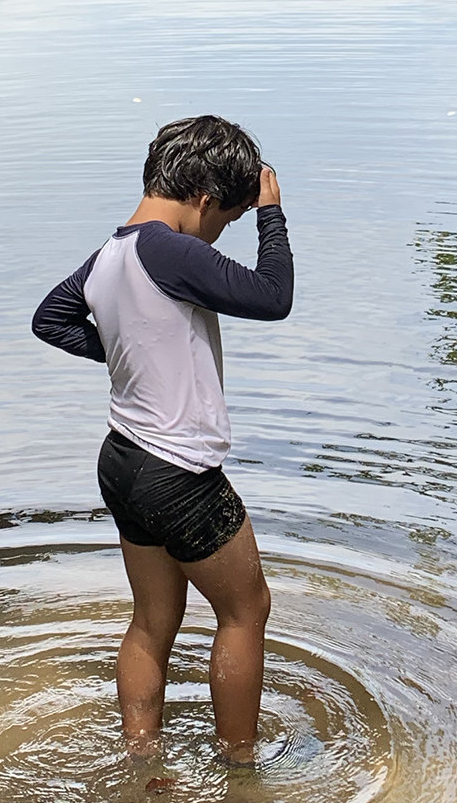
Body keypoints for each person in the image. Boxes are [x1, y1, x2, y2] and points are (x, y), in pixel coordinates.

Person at [32, 115, 293, 764]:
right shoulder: (172, 250)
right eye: (224, 220)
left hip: (122, 461)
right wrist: (270, 215)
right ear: (205, 200)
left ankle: (142, 760)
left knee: (152, 622)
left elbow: (51, 318)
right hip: (177, 473)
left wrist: (129, 352)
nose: (218, 235)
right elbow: (274, 295)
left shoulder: (108, 258)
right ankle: (239, 769)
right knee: (246, 610)